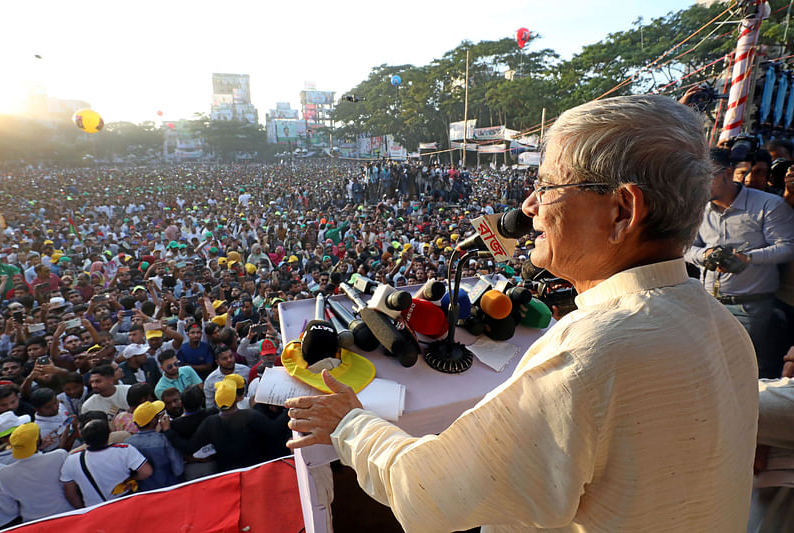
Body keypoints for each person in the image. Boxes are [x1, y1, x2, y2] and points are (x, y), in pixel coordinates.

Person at [285, 95, 760, 532]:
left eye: (547, 185)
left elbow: (427, 491)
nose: (529, 205)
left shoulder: (590, 354)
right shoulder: (723, 326)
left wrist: (349, 423)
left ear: (622, 211)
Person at [685, 148, 794, 378]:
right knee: (706, 371)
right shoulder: (697, 207)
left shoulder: (769, 205)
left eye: (705, 178)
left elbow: (787, 248)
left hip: (751, 309)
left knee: (743, 373)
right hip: (706, 304)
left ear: (727, 173)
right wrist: (706, 256)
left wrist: (748, 258)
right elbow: (685, 247)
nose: (698, 185)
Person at [60, 419, 152, 508]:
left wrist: (84, 509)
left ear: (84, 438)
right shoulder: (124, 450)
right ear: (109, 434)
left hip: (96, 510)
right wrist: (130, 479)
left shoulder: (72, 460)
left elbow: (71, 495)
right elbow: (146, 472)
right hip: (127, 503)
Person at [0, 422, 74, 522]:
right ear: (37, 441)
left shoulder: (3, 474)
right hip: (68, 515)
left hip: (33, 524)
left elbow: (10, 511)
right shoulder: (59, 456)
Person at [126, 401, 184, 491]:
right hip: (170, 488)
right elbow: (178, 469)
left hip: (143, 493)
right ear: (154, 421)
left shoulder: (128, 443)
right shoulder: (165, 440)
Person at [203, 344, 250, 409]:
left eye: (231, 356)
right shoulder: (210, 380)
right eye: (224, 359)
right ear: (217, 362)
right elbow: (210, 406)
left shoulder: (246, 371)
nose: (229, 360)